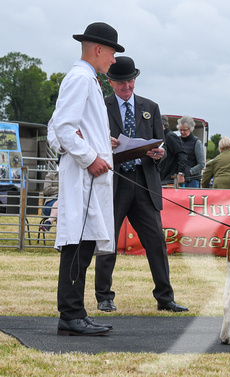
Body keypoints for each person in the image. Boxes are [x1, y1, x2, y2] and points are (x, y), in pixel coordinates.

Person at [95, 56, 188, 313]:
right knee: (107, 240)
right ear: (111, 82)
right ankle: (104, 296)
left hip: (144, 181)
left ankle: (165, 297)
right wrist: (106, 142)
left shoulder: (151, 107)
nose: (128, 87)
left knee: (156, 240)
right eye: (122, 83)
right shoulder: (101, 107)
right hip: (115, 181)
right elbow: (92, 141)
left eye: (131, 81)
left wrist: (160, 154)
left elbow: (160, 144)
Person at [48, 22, 123, 336]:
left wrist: (101, 141)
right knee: (77, 242)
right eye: (113, 53)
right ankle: (70, 313)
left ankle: (75, 311)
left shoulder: (88, 79)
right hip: (84, 176)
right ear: (98, 49)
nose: (114, 61)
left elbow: (66, 127)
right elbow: (63, 126)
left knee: (86, 240)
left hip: (90, 178)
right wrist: (91, 156)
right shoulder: (80, 78)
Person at [158, 115, 187, 186]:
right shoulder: (162, 137)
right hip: (163, 178)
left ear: (162, 125)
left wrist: (180, 173)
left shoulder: (170, 136)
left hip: (170, 180)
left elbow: (182, 154)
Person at [178, 116, 205, 188]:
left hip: (192, 180)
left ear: (190, 129)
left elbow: (201, 164)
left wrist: (189, 172)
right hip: (178, 178)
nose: (182, 132)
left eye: (184, 130)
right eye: (180, 130)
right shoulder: (177, 140)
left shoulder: (197, 142)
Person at [41, 166, 59, 231]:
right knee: (61, 205)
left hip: (64, 205)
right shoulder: (50, 175)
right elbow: (47, 190)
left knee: (62, 207)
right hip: (50, 203)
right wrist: (61, 189)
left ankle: (49, 221)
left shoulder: (70, 176)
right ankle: (61, 239)